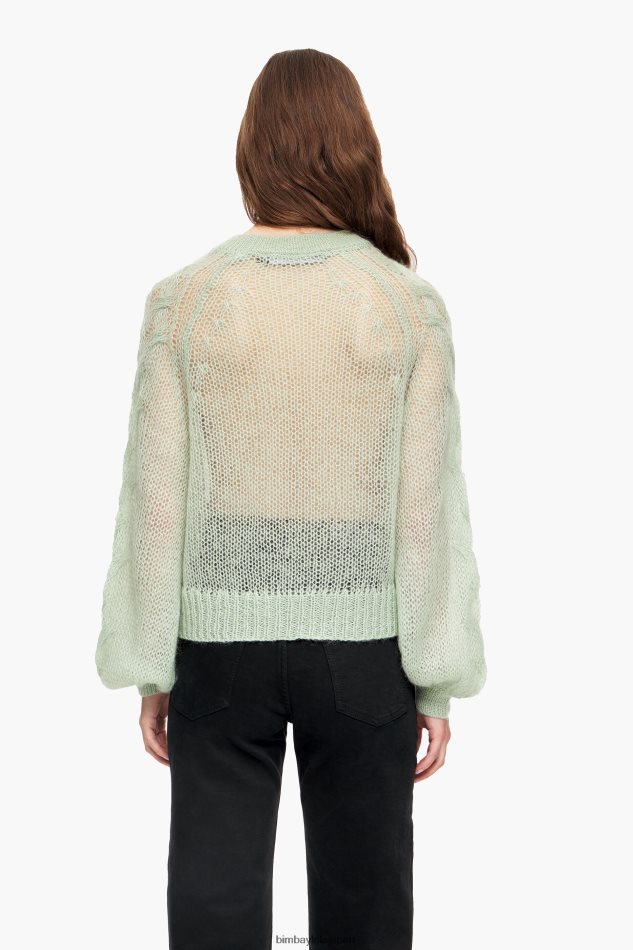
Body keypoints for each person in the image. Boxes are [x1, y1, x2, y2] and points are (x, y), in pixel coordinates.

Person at [95, 47, 487, 950]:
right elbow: (424, 514)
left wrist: (154, 667)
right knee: (366, 911)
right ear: (357, 147)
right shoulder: (405, 304)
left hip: (216, 651)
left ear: (250, 149)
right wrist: (437, 678)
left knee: (213, 910)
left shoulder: (185, 300)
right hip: (366, 655)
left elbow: (156, 500)